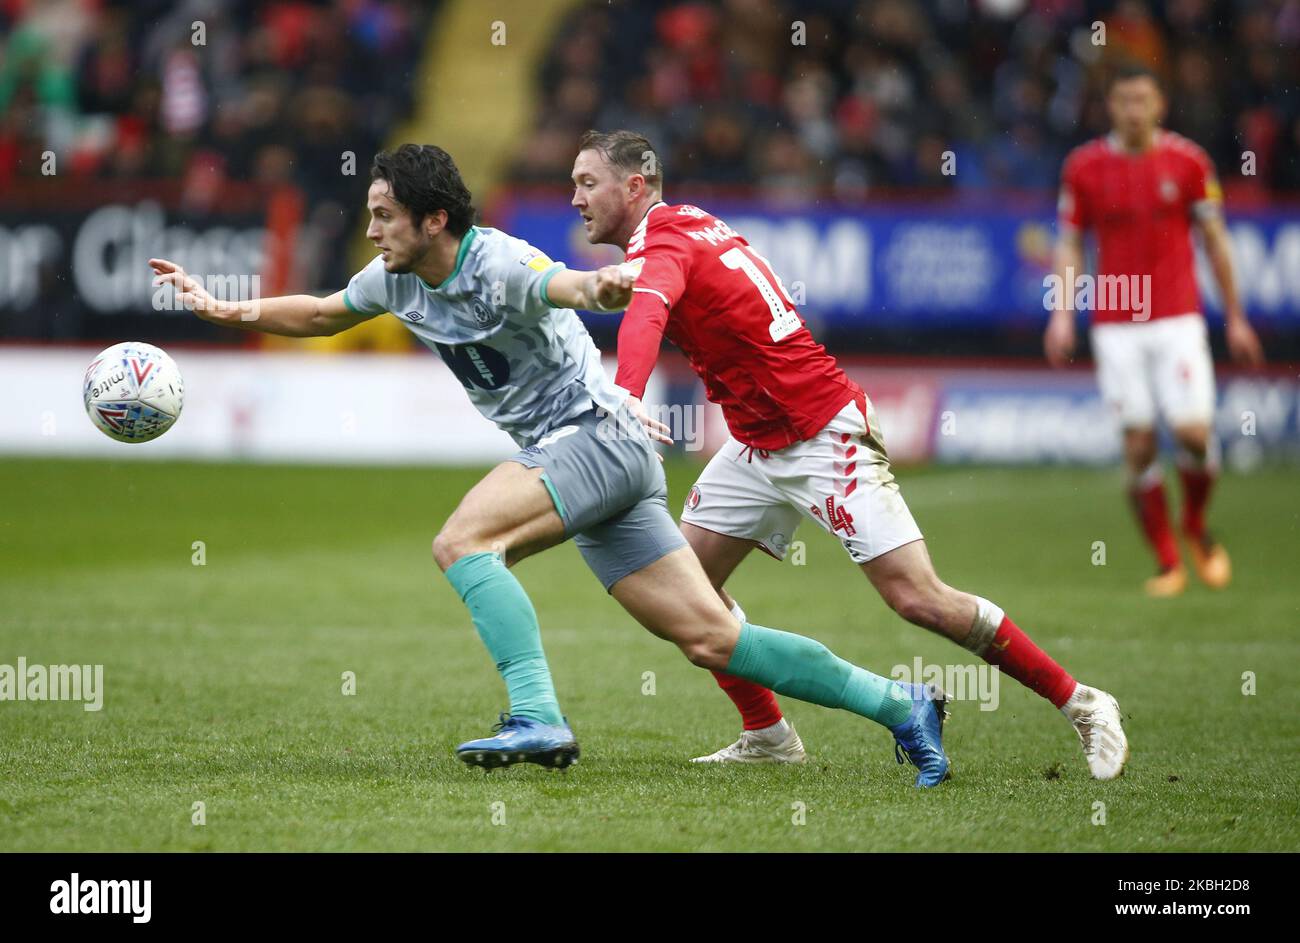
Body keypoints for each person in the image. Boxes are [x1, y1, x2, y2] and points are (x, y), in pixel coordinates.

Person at [151, 142, 953, 787]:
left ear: (434, 220)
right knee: (711, 636)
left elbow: (569, 284)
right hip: (608, 460)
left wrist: (607, 284)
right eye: (371, 216)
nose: (373, 231)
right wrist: (231, 309)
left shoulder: (497, 263)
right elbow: (326, 311)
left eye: (385, 216)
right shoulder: (395, 279)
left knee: (463, 543)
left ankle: (535, 714)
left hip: (592, 436)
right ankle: (901, 702)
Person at [570, 128, 1128, 779]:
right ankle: (768, 733)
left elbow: (648, 311)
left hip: (822, 434)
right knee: (686, 595)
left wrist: (628, 394)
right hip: (757, 442)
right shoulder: (688, 224)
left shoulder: (665, 240)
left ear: (633, 186)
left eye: (587, 182)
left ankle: (1082, 702)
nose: (575, 198)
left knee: (918, 598)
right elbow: (646, 293)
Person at [1046, 63, 1265, 598]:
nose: (1134, 111)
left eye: (1143, 100)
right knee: (1139, 447)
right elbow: (1072, 242)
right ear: (1111, 107)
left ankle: (1194, 524)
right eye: (1124, 101)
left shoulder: (1188, 162)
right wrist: (1062, 312)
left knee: (1192, 433)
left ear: (1159, 104)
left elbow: (1215, 241)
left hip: (1176, 317)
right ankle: (1168, 561)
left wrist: (1235, 316)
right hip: (1117, 323)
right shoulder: (1085, 167)